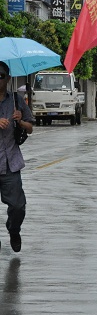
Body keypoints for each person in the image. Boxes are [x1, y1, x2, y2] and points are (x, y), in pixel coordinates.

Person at [0, 61, 34, 253]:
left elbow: (30, 128)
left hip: (11, 164)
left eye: (1, 76)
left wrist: (20, 121)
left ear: (8, 78)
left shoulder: (16, 100)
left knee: (18, 206)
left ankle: (14, 230)